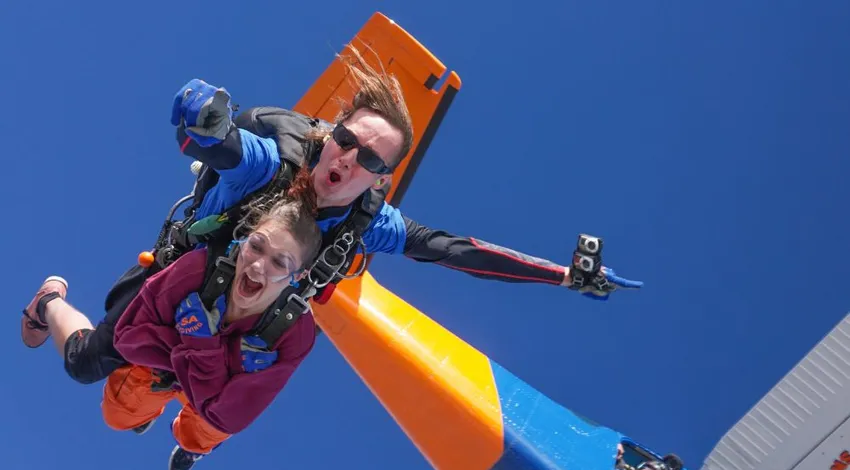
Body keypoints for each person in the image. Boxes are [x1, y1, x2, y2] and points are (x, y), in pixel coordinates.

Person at [20, 44, 643, 390]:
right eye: (346, 138)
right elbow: (232, 148)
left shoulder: (370, 224)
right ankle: (48, 300)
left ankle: (177, 409)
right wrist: (206, 121)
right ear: (331, 134)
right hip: (176, 283)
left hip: (236, 324)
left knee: (221, 387)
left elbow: (451, 250)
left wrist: (561, 275)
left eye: (370, 158)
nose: (348, 157)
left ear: (381, 180)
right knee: (84, 364)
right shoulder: (269, 164)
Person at [102, 181, 322, 470]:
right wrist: (228, 366)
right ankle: (153, 414)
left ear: (300, 275)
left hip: (186, 381)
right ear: (244, 239)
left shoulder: (293, 332)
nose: (258, 267)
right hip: (186, 380)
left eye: (280, 263)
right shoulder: (199, 269)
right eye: (256, 246)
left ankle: (191, 447)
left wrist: (200, 341)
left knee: (204, 431)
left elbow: (230, 417)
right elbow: (127, 338)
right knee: (117, 414)